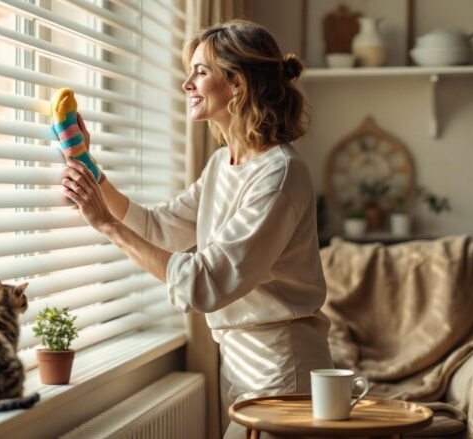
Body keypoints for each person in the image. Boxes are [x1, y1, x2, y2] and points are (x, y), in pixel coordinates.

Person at [60, 19, 334, 438]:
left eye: (200, 72)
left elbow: (205, 283)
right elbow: (159, 228)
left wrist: (105, 225)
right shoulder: (221, 164)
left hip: (283, 369)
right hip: (240, 365)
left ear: (237, 84)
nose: (187, 83)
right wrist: (89, 167)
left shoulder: (278, 175)